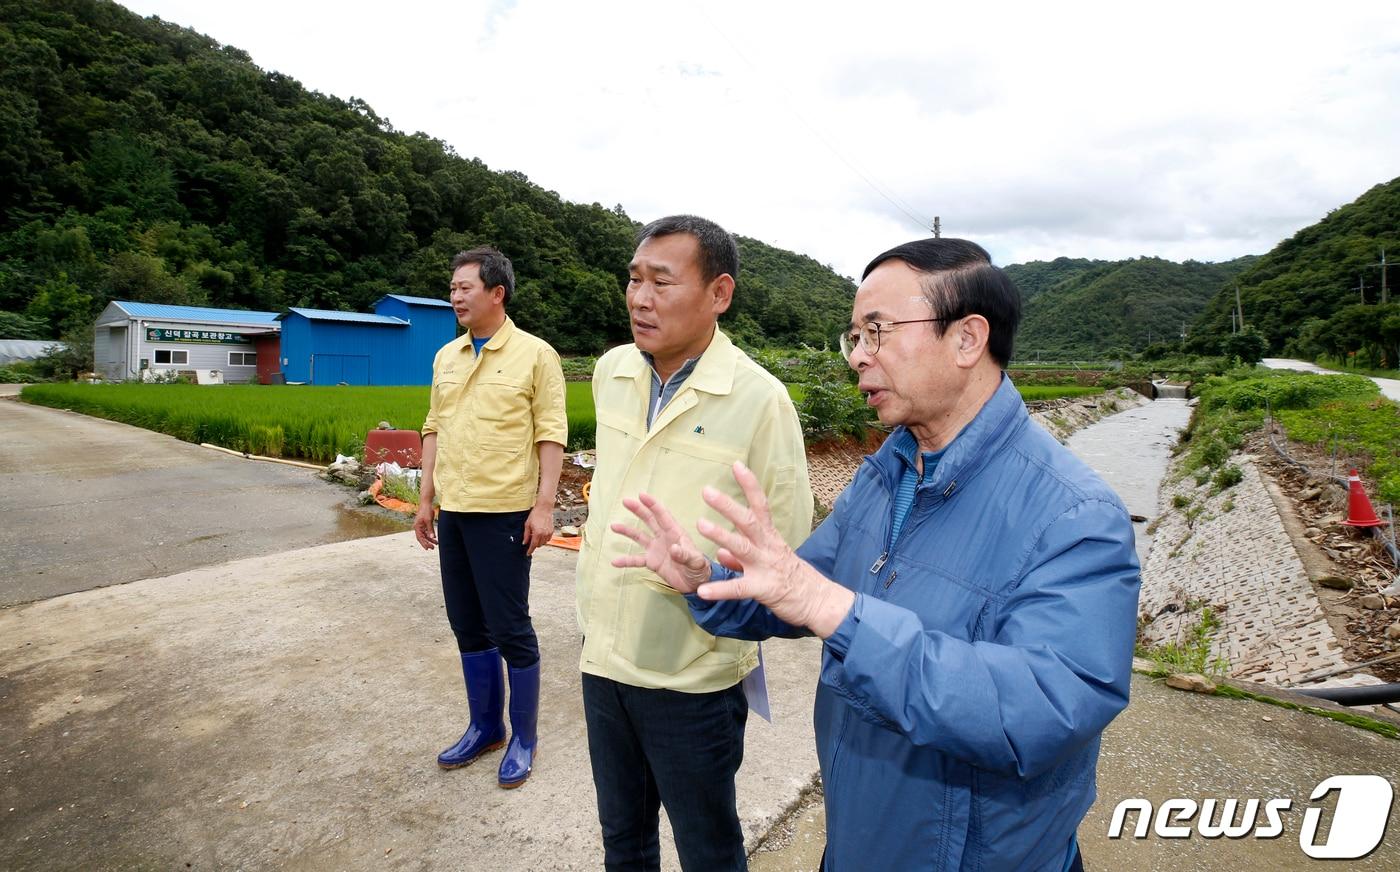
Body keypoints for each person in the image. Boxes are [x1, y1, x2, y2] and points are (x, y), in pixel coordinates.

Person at [611, 238, 1140, 871]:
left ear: (968, 339)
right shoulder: (887, 474)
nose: (858, 356)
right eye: (854, 335)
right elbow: (802, 587)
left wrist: (836, 611)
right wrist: (709, 579)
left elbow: (1044, 709)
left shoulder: (1075, 517)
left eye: (878, 331)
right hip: (858, 839)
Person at [576, 215, 813, 871]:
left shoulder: (760, 402)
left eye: (661, 281)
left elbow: (788, 560)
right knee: (623, 841)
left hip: (694, 679)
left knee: (708, 849)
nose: (639, 298)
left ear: (719, 294)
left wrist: (703, 573)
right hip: (605, 662)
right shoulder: (612, 372)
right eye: (633, 279)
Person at [414, 246, 567, 789]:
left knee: (510, 627)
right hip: (453, 509)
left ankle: (523, 737)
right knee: (467, 624)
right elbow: (432, 427)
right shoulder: (446, 357)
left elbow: (551, 433)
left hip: (504, 510)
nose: (455, 296)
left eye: (464, 288)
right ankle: (486, 728)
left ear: (496, 293)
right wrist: (425, 497)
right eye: (452, 288)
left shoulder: (534, 355)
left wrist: (544, 505)